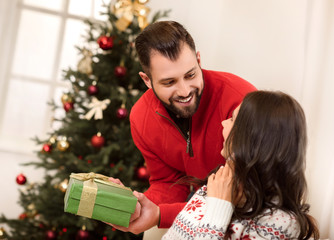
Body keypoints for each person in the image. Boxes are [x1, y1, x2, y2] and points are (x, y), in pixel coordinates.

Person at [107, 20, 256, 233]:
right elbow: (167, 182)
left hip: (244, 206)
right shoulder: (141, 118)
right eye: (169, 82)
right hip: (198, 202)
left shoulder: (240, 100)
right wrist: (139, 207)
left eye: (191, 74)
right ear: (147, 80)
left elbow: (245, 195)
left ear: (198, 60)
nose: (185, 91)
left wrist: (160, 214)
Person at [162, 90, 320, 240]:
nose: (223, 123)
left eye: (232, 119)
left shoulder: (281, 223)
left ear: (252, 141)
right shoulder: (214, 186)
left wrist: (219, 207)